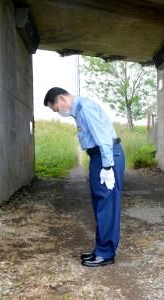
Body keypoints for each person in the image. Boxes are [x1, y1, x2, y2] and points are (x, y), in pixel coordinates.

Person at [43, 87, 125, 267]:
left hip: (108, 155)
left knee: (107, 204)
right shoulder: (78, 112)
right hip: (97, 156)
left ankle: (106, 253)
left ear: (63, 99)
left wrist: (107, 166)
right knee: (99, 204)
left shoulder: (85, 107)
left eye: (56, 109)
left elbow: (103, 137)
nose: (58, 113)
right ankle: (100, 248)